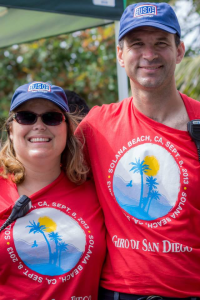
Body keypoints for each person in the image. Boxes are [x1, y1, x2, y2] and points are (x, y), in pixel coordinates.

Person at [76, 2, 200, 299]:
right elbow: (46, 178)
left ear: (180, 51)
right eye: (137, 44)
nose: (149, 54)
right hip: (121, 292)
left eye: (160, 43)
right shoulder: (96, 126)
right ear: (120, 55)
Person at [0, 81, 106, 299]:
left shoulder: (96, 193)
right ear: (11, 129)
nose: (39, 125)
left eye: (52, 117)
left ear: (67, 129)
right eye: (26, 117)